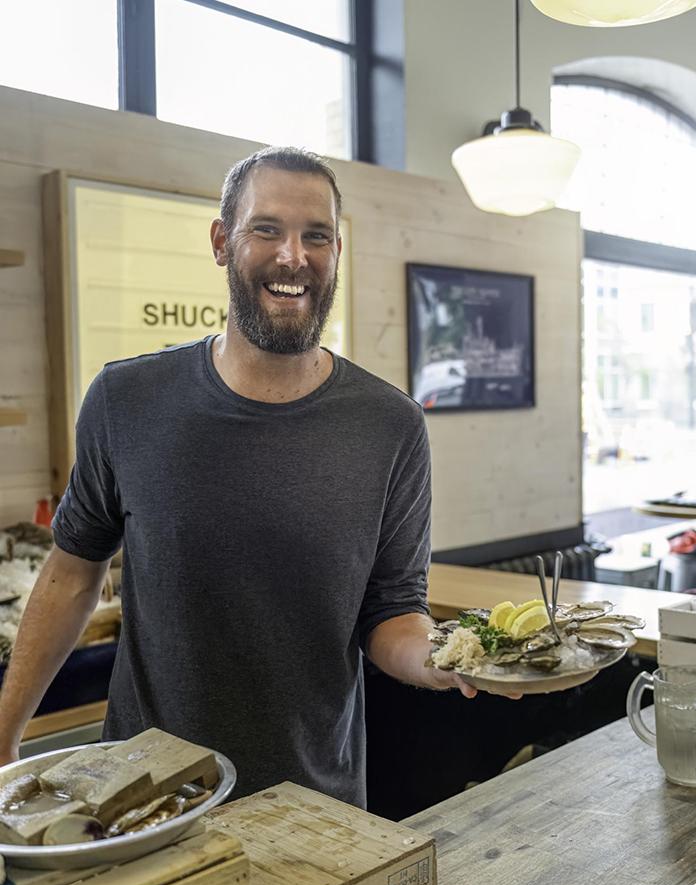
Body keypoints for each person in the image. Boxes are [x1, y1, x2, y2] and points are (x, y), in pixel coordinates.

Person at [0, 147, 513, 807]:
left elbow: (392, 611)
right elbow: (72, 573)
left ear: (336, 250)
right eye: (266, 229)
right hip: (142, 800)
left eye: (316, 235)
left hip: (315, 802)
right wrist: (5, 737)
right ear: (222, 242)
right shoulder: (126, 400)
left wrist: (446, 662)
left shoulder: (392, 425)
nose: (293, 256)